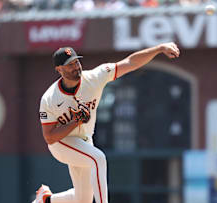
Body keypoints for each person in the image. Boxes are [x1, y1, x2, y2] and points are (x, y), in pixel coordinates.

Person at [35, 42, 180, 203]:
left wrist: (159, 49)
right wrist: (76, 121)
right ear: (59, 70)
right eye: (70, 65)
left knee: (83, 200)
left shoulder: (94, 77)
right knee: (98, 158)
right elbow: (49, 137)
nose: (76, 66)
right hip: (61, 144)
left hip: (84, 141)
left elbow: (130, 62)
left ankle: (46, 200)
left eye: (77, 62)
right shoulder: (49, 99)